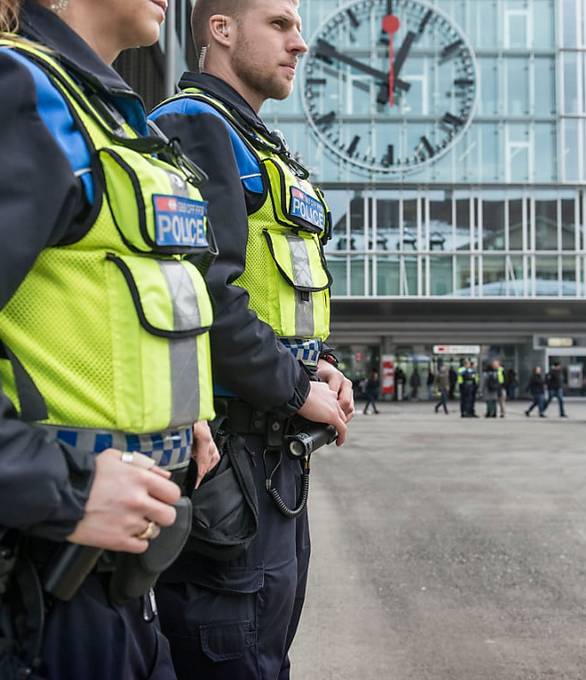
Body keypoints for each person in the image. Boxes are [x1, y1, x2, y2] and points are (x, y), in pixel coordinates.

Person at [0, 1, 222, 677]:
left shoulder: (105, 115)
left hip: (116, 573)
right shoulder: (22, 96)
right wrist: (63, 488)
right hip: (43, 581)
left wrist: (181, 418)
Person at [148, 1, 354, 678]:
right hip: (230, 462)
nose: (300, 44)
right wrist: (295, 387)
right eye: (280, 24)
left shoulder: (255, 141)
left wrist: (318, 366)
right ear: (221, 29)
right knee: (231, 656)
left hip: (269, 463)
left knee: (262, 654)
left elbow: (271, 289)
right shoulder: (193, 126)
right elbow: (204, 292)